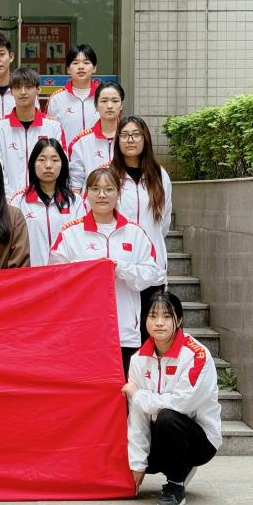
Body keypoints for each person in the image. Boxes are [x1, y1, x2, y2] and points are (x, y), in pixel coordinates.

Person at [49, 165, 164, 376]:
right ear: (86, 194)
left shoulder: (135, 233)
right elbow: (55, 278)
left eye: (109, 189)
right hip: (82, 331)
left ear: (119, 193)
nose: (102, 195)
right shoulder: (70, 233)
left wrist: (121, 268)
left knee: (125, 388)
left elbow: (153, 274)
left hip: (124, 331)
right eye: (95, 189)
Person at [122, 291, 221, 505]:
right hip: (160, 436)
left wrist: (138, 395)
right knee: (127, 448)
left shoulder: (197, 356)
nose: (159, 323)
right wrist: (137, 464)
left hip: (199, 441)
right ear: (144, 320)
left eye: (167, 316)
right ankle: (176, 467)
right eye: (153, 316)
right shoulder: (138, 360)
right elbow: (138, 415)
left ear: (179, 320)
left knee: (167, 417)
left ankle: (176, 484)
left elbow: (180, 404)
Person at [111, 116, 173, 339]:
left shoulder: (159, 175)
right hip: (120, 268)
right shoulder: (109, 175)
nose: (130, 140)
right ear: (117, 140)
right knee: (121, 336)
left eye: (136, 134)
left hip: (151, 268)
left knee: (151, 335)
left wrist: (149, 248)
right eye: (125, 135)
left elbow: (163, 222)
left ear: (145, 138)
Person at [0, 67, 66, 194]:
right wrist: (10, 198)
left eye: (28, 87)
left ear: (38, 89)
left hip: (45, 198)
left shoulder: (53, 127)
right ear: (11, 91)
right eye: (18, 87)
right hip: (7, 200)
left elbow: (60, 165)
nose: (23, 92)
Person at [10, 138, 84, 267]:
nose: (48, 165)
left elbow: (81, 241)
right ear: (33, 164)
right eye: (42, 160)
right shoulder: (19, 201)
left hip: (66, 274)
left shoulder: (75, 201)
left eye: (55, 160)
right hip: (31, 274)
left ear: (63, 164)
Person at [68, 80, 124, 192]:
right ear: (96, 105)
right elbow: (75, 183)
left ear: (122, 105)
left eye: (115, 101)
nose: (109, 106)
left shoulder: (130, 138)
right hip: (92, 201)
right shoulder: (82, 141)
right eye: (104, 101)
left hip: (125, 201)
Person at [47, 44, 101, 145]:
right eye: (75, 63)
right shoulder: (56, 98)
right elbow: (49, 132)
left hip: (99, 154)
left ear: (94, 68)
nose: (81, 67)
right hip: (66, 154)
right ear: (68, 69)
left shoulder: (103, 95)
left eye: (86, 62)